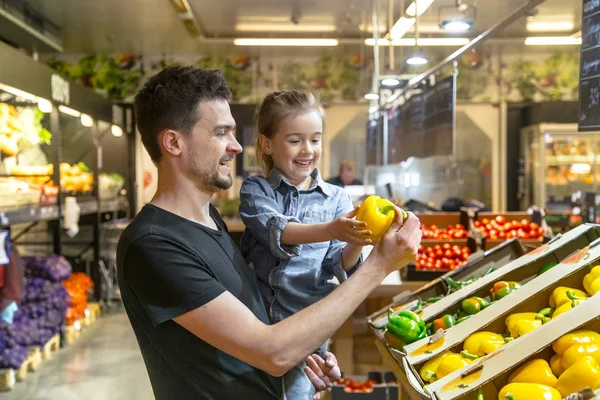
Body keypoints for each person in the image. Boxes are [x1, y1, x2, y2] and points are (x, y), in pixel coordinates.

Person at [116, 66, 421, 400]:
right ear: (173, 142)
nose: (235, 147)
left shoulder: (209, 222)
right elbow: (272, 353)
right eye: (221, 133)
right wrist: (378, 266)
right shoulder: (155, 244)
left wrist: (303, 356)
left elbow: (257, 332)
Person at [239, 91, 371, 399]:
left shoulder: (337, 198)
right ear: (267, 144)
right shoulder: (256, 190)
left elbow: (340, 265)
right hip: (257, 326)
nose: (308, 150)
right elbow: (277, 230)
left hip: (309, 331)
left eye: (315, 139)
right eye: (295, 140)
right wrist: (333, 228)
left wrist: (355, 239)